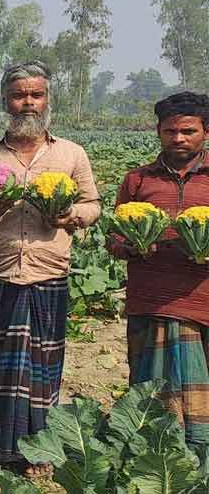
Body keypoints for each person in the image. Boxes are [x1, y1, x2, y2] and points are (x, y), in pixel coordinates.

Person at [0, 60, 101, 477]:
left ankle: (39, 449)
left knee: (44, 363)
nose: (28, 102)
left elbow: (93, 205)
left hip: (48, 273)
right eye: (19, 95)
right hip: (1, 273)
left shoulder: (71, 153)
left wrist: (70, 215)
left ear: (47, 99)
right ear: (6, 100)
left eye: (35, 94)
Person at [111, 92, 209, 454]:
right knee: (150, 389)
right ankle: (153, 456)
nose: (179, 138)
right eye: (170, 131)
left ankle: (198, 460)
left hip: (201, 303)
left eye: (188, 131)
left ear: (205, 132)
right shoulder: (137, 180)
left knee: (200, 393)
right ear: (158, 131)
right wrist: (132, 245)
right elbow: (114, 235)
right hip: (149, 301)